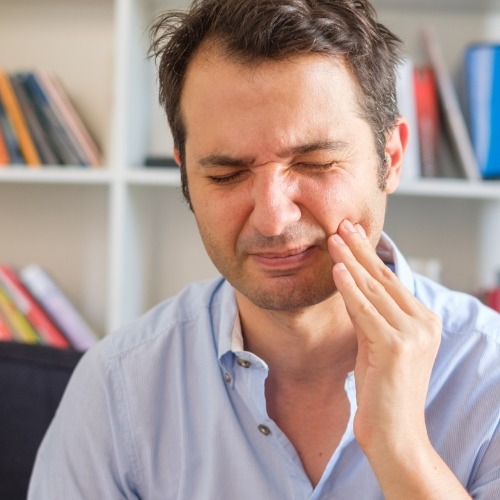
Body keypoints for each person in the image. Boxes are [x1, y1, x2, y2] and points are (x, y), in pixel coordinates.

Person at [29, 0, 500, 498]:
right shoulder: (116, 389)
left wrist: (403, 450)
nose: (273, 218)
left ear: (392, 157)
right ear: (185, 177)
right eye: (226, 174)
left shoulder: (488, 376)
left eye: (316, 163)